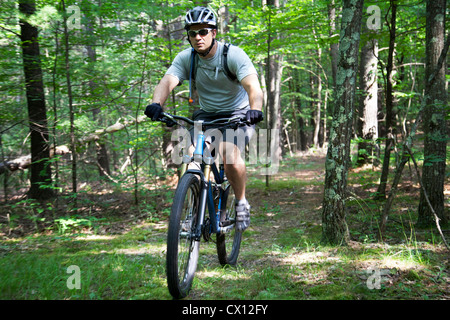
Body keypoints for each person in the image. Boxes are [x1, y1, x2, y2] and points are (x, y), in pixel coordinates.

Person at [144, 6, 264, 231]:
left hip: (238, 114)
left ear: (214, 32)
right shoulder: (186, 58)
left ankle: (241, 202)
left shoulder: (233, 55)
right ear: (188, 36)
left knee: (229, 152)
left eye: (204, 31)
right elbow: (167, 81)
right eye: (192, 33)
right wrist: (156, 104)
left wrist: (254, 109)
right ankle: (195, 210)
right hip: (206, 116)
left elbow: (253, 87)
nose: (198, 37)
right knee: (192, 157)